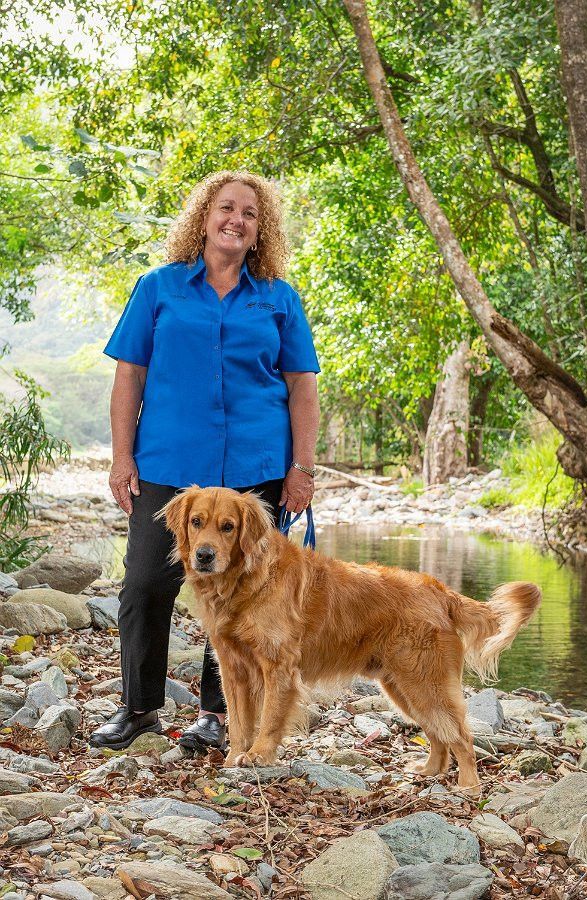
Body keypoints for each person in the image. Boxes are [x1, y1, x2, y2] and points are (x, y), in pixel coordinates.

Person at [89, 170, 320, 751]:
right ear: (204, 216)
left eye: (249, 212)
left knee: (247, 591)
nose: (235, 219)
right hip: (168, 462)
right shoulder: (159, 287)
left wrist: (303, 468)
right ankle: (140, 707)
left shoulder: (278, 298)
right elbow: (129, 377)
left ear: (259, 229)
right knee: (145, 583)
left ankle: (221, 716)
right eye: (226, 208)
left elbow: (301, 386)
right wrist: (122, 457)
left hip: (256, 469)